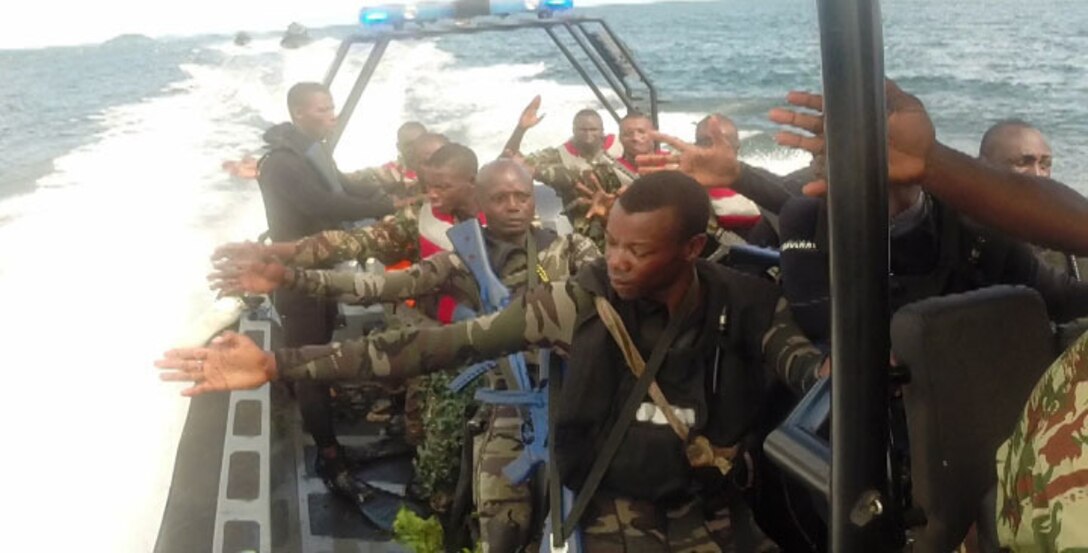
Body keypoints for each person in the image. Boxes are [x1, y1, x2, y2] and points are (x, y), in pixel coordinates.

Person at [160, 172, 828, 551]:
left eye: (638, 250)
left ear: (689, 249)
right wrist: (282, 365)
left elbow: (795, 359)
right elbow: (445, 343)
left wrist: (831, 377)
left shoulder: (744, 301)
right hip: (615, 507)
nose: (617, 260)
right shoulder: (578, 299)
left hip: (710, 496)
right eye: (613, 243)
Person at [210, 159, 601, 552]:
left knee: (582, 512)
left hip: (575, 390)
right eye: (501, 198)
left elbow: (611, 288)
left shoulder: (570, 248)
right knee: (499, 516)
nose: (514, 206)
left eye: (523, 197)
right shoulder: (461, 257)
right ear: (482, 201)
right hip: (510, 401)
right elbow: (378, 285)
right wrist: (289, 277)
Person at [252, 81, 398, 504]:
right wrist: (383, 208)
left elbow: (341, 186)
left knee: (322, 347)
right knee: (309, 362)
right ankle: (329, 458)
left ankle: (323, 419)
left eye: (332, 107)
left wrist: (389, 192)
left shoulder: (311, 149)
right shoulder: (281, 163)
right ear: (299, 113)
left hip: (323, 270)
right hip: (297, 277)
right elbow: (322, 205)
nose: (331, 115)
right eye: (323, 109)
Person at [977, 119, 1086, 279]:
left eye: (1044, 165)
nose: (1037, 175)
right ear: (983, 166)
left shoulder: (1064, 242)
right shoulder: (957, 230)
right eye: (1023, 163)